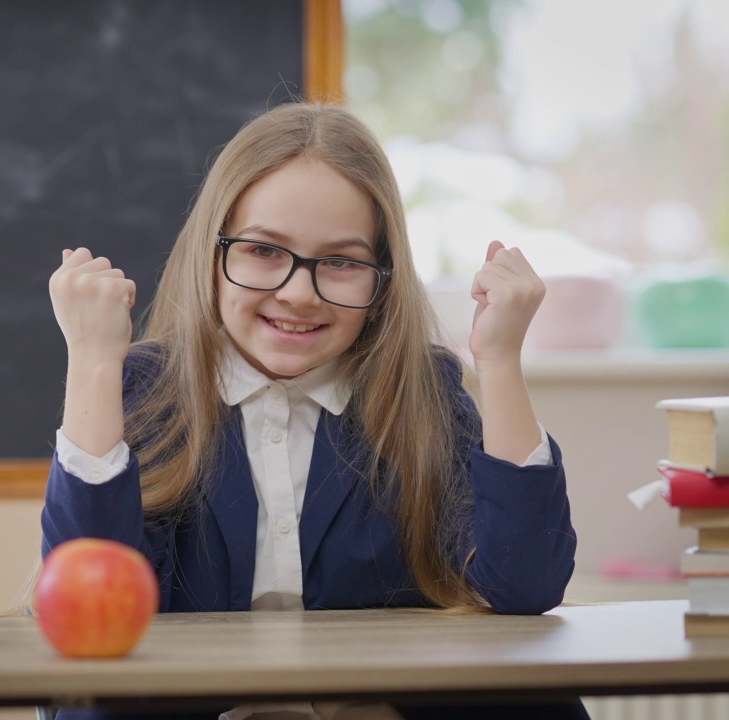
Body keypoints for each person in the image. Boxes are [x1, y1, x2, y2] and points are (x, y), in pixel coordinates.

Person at [42, 102, 585, 720]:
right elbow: (88, 607)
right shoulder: (145, 387)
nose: (299, 293)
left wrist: (501, 360)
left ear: (382, 283)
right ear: (211, 257)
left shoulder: (420, 389)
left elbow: (527, 584)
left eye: (344, 262)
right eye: (263, 252)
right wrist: (91, 359)